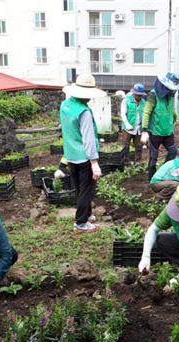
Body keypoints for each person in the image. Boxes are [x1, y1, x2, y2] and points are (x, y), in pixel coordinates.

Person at [59, 72, 107, 232]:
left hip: (71, 154)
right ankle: (80, 223)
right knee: (86, 190)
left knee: (79, 188)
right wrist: (94, 163)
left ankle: (86, 215)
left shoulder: (65, 105)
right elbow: (88, 138)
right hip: (84, 157)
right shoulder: (84, 112)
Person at [141, 72, 179, 180]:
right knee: (154, 156)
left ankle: (163, 172)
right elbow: (146, 112)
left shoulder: (170, 97)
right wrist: (145, 130)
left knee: (173, 152)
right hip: (155, 131)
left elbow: (171, 112)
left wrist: (173, 120)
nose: (172, 91)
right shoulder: (153, 95)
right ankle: (151, 178)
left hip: (168, 132)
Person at [120, 83, 147, 162]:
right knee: (126, 146)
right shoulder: (126, 100)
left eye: (140, 95)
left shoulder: (143, 102)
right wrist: (127, 124)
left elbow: (145, 115)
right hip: (128, 128)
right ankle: (126, 163)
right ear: (134, 93)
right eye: (137, 94)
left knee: (139, 147)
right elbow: (123, 113)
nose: (139, 96)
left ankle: (137, 163)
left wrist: (145, 130)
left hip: (139, 129)